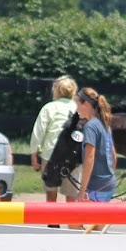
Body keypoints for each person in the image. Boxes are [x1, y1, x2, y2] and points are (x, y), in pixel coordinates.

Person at [75, 87, 123, 251]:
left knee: (84, 225)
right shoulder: (104, 124)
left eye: (78, 104)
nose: (76, 109)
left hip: (96, 184)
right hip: (107, 181)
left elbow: (90, 157)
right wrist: (109, 175)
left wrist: (82, 189)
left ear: (86, 104)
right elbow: (113, 157)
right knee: (97, 227)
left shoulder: (91, 127)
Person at [30, 75, 80, 205]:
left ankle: (53, 222)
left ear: (56, 91)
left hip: (51, 152)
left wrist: (34, 154)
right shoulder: (78, 108)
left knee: (51, 192)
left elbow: (38, 132)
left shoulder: (49, 108)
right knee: (71, 194)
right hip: (73, 154)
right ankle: (71, 222)